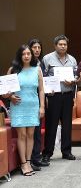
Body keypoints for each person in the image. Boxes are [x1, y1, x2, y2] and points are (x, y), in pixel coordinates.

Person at [3, 45, 45, 176]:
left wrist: (42, 106)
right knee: (22, 135)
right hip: (18, 106)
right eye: (24, 54)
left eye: (28, 53)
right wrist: (10, 96)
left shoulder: (37, 69)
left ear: (32, 55)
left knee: (30, 135)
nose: (26, 56)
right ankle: (23, 164)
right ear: (19, 56)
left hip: (33, 105)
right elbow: (5, 91)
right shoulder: (13, 70)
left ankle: (28, 161)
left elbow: (41, 90)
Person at [41, 35, 77, 163]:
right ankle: (47, 153)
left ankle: (66, 151)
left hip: (67, 96)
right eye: (60, 44)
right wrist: (46, 92)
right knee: (52, 124)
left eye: (65, 44)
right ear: (55, 45)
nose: (63, 46)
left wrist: (72, 82)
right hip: (53, 96)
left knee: (67, 125)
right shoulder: (47, 58)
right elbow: (42, 78)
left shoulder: (72, 60)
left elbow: (76, 77)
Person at [27, 39, 47, 169]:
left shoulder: (41, 64)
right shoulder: (23, 65)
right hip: (28, 101)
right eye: (34, 47)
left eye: (39, 47)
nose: (37, 50)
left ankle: (37, 157)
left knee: (38, 131)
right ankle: (31, 160)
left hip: (39, 100)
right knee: (31, 133)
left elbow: (43, 84)